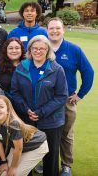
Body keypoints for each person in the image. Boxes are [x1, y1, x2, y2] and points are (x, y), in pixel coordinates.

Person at [11, 35, 68, 176]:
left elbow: (62, 96)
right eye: (35, 48)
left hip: (51, 121)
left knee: (51, 155)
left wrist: (41, 112)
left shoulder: (57, 69)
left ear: (47, 50)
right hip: (27, 120)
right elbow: (15, 92)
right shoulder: (21, 67)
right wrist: (26, 109)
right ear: (30, 49)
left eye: (42, 48)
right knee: (26, 153)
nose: (38, 51)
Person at [47, 17, 94, 176]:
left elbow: (88, 72)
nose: (54, 31)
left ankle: (66, 165)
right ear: (47, 30)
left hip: (67, 101)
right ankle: (45, 161)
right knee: (45, 132)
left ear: (63, 30)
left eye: (57, 28)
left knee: (66, 134)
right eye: (51, 28)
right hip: (45, 100)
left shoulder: (74, 49)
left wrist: (80, 94)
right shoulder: (41, 48)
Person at [0, 95, 49, 176]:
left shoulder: (13, 124)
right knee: (3, 174)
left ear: (8, 110)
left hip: (37, 146)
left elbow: (19, 148)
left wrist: (13, 167)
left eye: (1, 107)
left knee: (15, 174)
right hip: (19, 147)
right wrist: (4, 162)